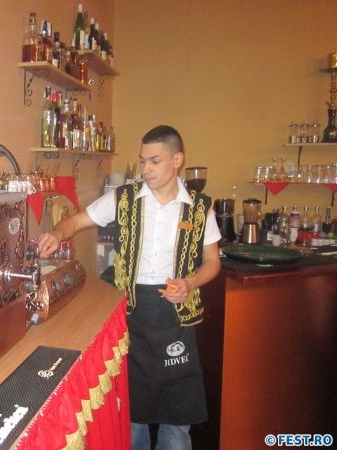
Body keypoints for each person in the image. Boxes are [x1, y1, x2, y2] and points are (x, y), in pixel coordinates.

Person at [38, 125, 221, 450]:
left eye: (155, 161)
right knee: (133, 419)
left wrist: (190, 283)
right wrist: (56, 233)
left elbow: (212, 261)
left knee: (177, 426)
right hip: (132, 315)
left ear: (177, 160)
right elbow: (76, 221)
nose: (146, 169)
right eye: (143, 160)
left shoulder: (199, 207)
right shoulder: (125, 199)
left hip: (177, 318)